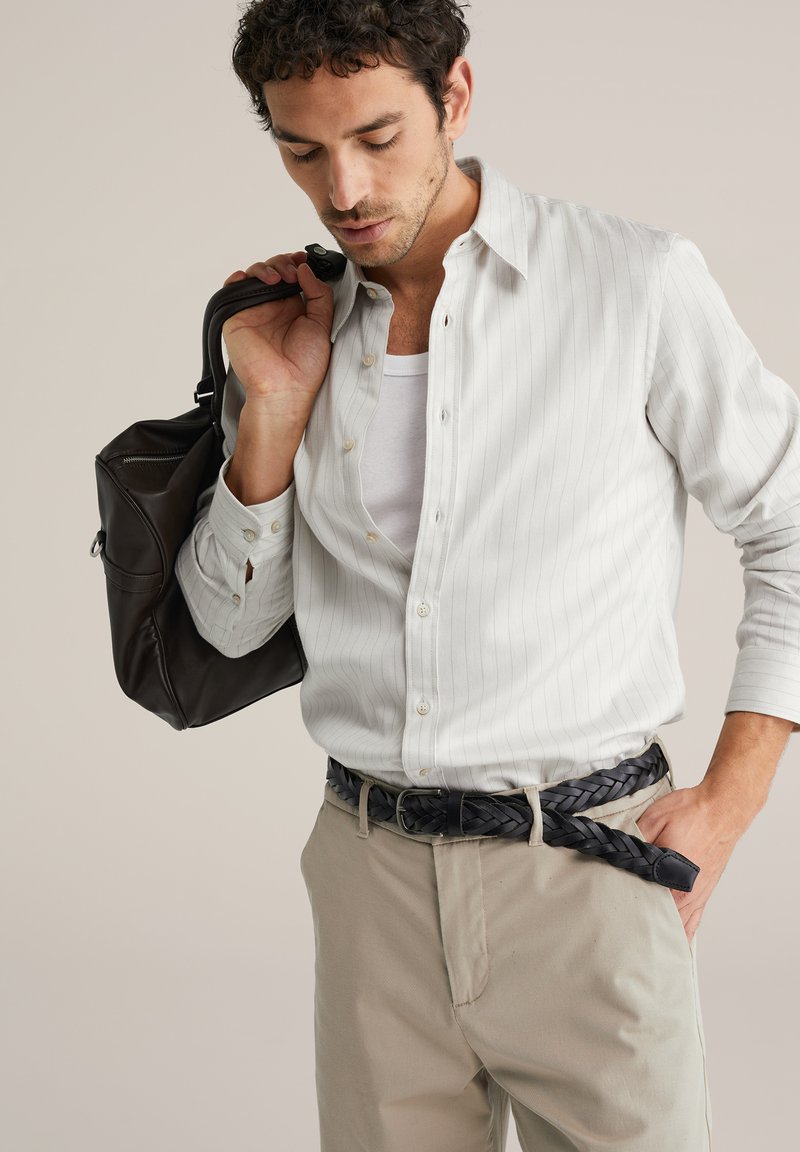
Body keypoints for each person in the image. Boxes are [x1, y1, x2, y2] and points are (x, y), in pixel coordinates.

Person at [175, 2, 799, 1148]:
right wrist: (269, 411)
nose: (343, 188)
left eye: (376, 137)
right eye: (302, 150)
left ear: (453, 96)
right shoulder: (292, 324)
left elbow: (789, 524)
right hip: (369, 877)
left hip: (586, 870)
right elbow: (227, 629)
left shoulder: (630, 283)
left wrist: (729, 800)